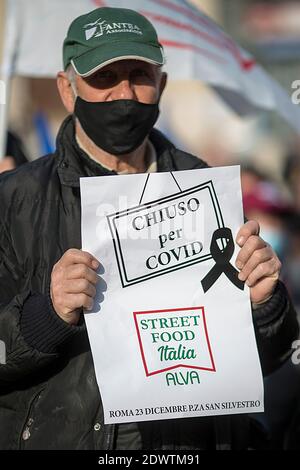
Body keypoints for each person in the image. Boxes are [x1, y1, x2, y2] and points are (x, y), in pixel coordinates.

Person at [0, 6, 298, 451]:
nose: (125, 93)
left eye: (139, 75)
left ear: (161, 84)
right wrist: (46, 316)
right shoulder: (13, 200)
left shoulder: (210, 192)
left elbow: (271, 357)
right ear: (68, 89)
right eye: (103, 78)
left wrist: (264, 304)